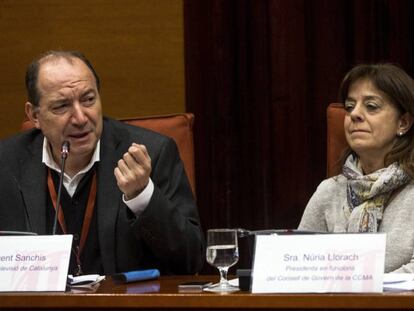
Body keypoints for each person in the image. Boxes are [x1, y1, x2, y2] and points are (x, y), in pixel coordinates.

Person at [0, 50, 204, 275]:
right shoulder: (6, 163)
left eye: (88, 100)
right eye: (61, 106)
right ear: (34, 116)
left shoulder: (152, 154)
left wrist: (143, 195)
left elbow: (191, 260)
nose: (80, 118)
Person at [298, 63, 414, 273]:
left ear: (403, 123)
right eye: (350, 106)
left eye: (371, 106)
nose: (355, 114)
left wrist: (364, 289)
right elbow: (298, 266)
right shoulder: (329, 191)